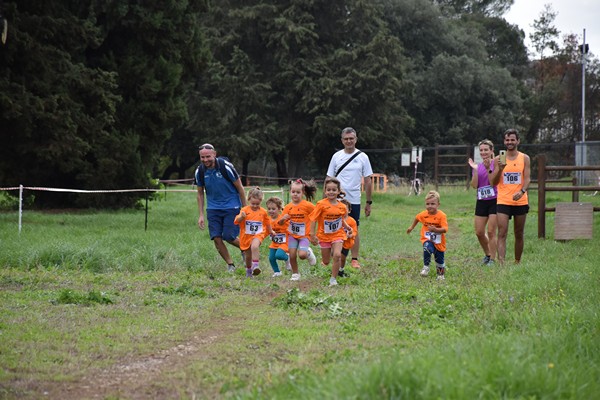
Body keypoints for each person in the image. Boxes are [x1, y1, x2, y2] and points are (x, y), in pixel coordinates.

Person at [325, 127, 373, 269]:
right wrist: (324, 200)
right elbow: (329, 178)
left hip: (354, 200)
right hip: (336, 199)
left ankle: (354, 258)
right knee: (335, 227)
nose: (349, 141)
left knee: (354, 227)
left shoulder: (363, 157)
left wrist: (368, 202)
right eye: (346, 139)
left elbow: (368, 180)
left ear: (356, 139)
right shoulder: (336, 156)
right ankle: (335, 256)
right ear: (342, 140)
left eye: (351, 138)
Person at [195, 143, 247, 272]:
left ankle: (245, 249)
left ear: (214, 154)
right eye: (202, 157)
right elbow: (200, 193)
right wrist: (201, 214)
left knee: (228, 236)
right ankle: (230, 265)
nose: (205, 160)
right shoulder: (200, 171)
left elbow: (240, 188)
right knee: (216, 238)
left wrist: (245, 209)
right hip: (213, 209)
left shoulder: (226, 167)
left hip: (232, 206)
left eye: (208, 156)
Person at [490, 129, 530, 264]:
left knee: (519, 233)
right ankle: (501, 262)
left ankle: (517, 261)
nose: (510, 142)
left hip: (520, 200)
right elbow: (493, 182)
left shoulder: (524, 158)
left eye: (512, 139)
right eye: (507, 140)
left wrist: (522, 191)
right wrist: (500, 169)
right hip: (503, 200)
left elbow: (528, 178)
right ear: (504, 141)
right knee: (502, 232)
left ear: (518, 141)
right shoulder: (498, 159)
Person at [309, 177, 353, 287]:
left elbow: (341, 220)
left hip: (338, 234)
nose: (331, 192)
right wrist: (312, 234)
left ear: (338, 191)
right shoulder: (321, 204)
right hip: (324, 236)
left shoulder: (342, 206)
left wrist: (347, 227)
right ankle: (329, 257)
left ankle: (333, 279)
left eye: (334, 190)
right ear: (325, 191)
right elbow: (313, 219)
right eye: (328, 190)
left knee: (337, 255)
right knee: (326, 261)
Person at [279, 179, 318, 281]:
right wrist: (283, 219)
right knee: (292, 255)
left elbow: (316, 214)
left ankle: (308, 253)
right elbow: (280, 223)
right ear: (290, 192)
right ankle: (295, 274)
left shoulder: (308, 205)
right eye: (293, 192)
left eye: (298, 192)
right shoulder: (288, 207)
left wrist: (314, 233)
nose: (295, 194)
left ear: (303, 193)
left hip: (304, 235)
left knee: (302, 255)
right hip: (292, 235)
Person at [468, 139, 498, 265]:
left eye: (486, 149)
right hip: (481, 201)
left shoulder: (496, 164)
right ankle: (487, 254)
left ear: (492, 150)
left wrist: (487, 168)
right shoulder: (477, 166)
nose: (483, 152)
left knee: (491, 231)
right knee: (479, 232)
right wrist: (475, 170)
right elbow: (474, 185)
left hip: (495, 200)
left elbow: (494, 182)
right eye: (481, 150)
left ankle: (493, 259)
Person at [406, 190, 448, 281]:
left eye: (433, 204)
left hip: (439, 241)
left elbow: (445, 229)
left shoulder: (442, 216)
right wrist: (411, 227)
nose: (430, 206)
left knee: (439, 259)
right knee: (427, 248)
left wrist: (436, 230)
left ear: (438, 205)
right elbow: (417, 218)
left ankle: (440, 275)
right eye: (428, 204)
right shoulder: (423, 214)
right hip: (427, 238)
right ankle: (426, 267)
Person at [234, 187, 274, 277]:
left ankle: (256, 265)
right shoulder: (244, 210)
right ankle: (248, 270)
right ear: (248, 200)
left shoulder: (263, 212)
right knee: (248, 256)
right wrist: (241, 217)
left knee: (255, 246)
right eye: (253, 204)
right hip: (246, 236)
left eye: (257, 204)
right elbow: (236, 221)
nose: (255, 206)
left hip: (258, 234)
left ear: (261, 202)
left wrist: (271, 231)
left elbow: (267, 222)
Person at [265, 196, 291, 277]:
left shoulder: (282, 219)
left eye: (273, 209)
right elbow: (266, 230)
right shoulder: (268, 220)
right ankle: (277, 272)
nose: (271, 211)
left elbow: (290, 225)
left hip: (284, 242)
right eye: (269, 209)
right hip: (274, 242)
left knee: (279, 255)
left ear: (279, 209)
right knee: (271, 258)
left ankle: (287, 258)